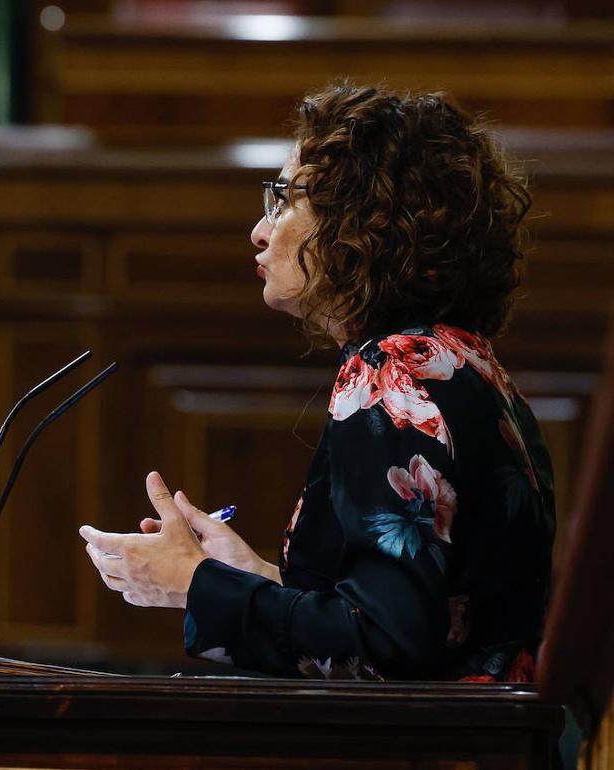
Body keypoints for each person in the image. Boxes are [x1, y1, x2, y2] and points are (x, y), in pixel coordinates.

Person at [79, 84, 555, 681]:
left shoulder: (393, 371)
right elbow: (412, 619)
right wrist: (249, 578)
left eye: (283, 199)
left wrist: (195, 581)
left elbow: (385, 648)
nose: (258, 229)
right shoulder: (467, 362)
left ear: (364, 219)